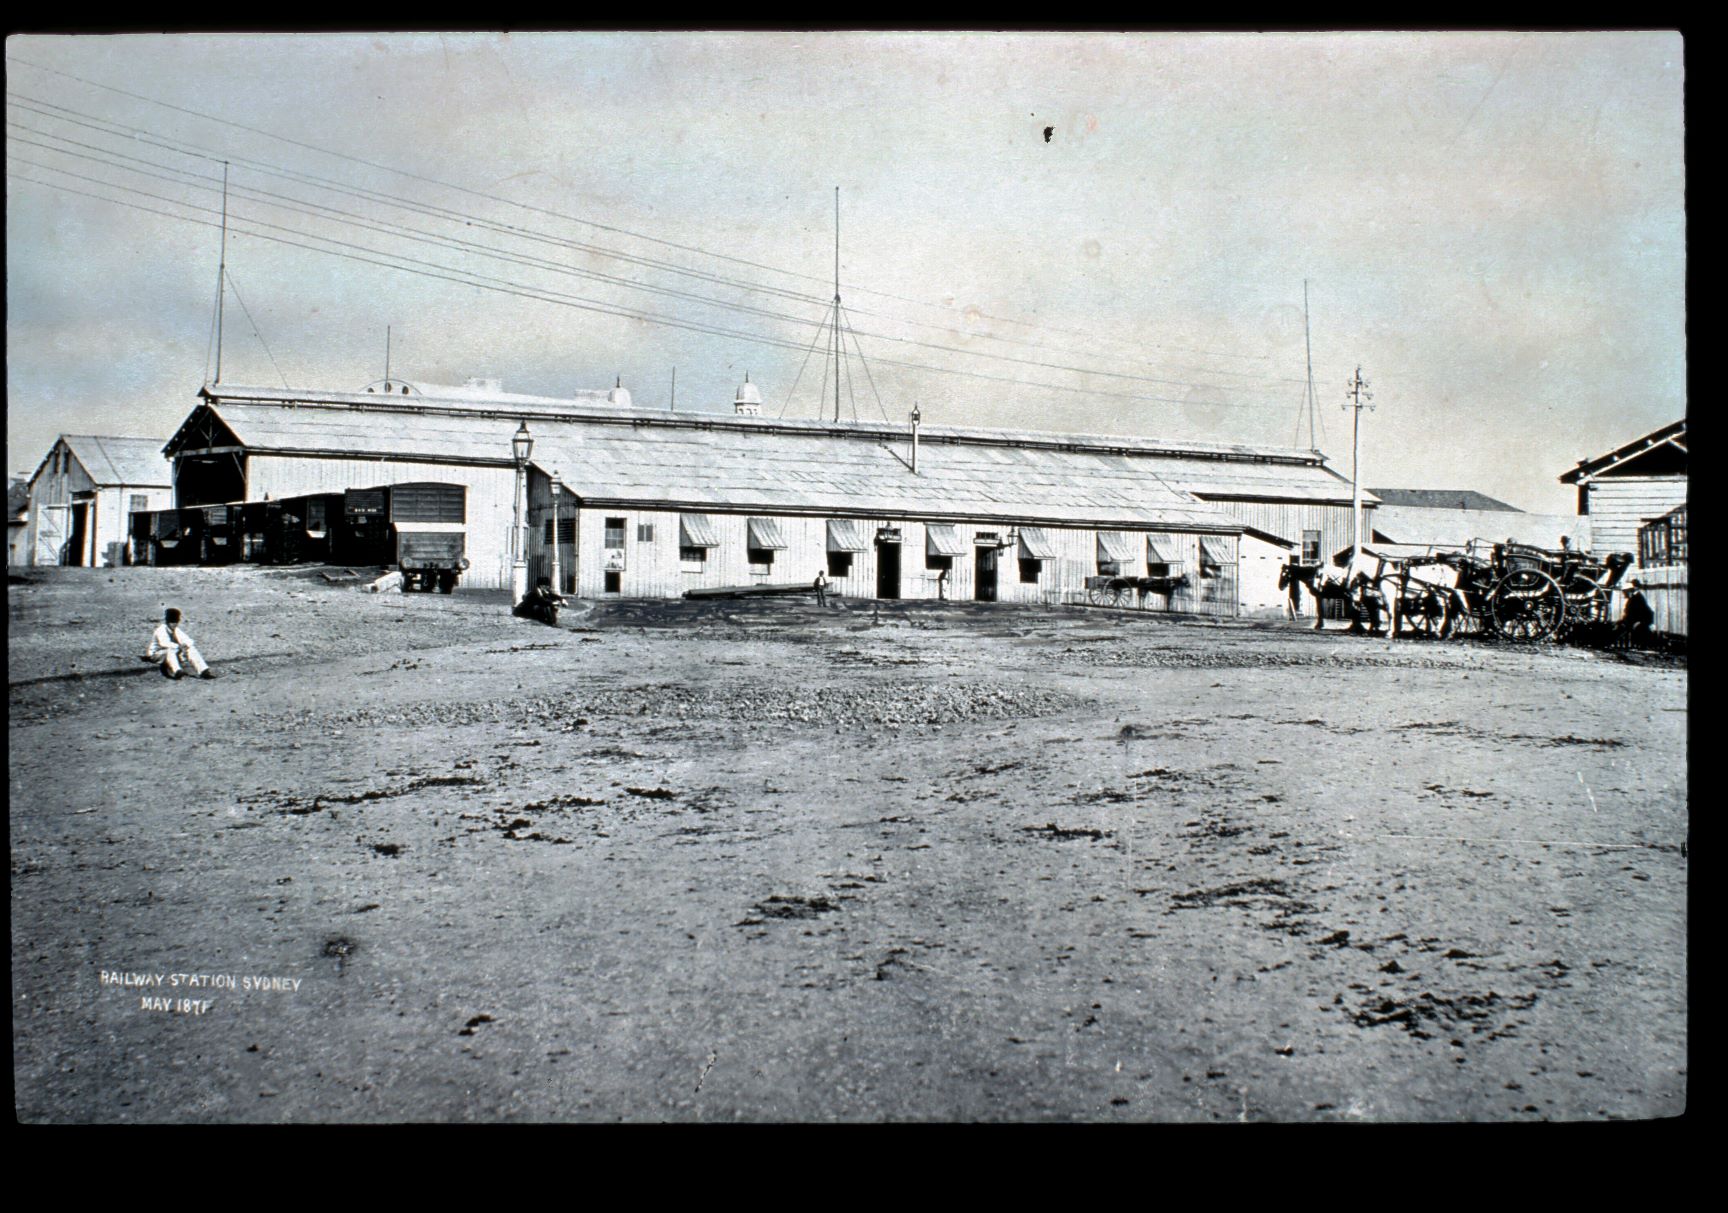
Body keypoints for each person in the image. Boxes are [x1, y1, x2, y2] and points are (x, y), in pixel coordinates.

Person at [146, 607, 216, 680]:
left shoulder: (176, 630)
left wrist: (185, 645)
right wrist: (179, 646)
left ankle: (203, 671)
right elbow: (164, 643)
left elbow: (189, 640)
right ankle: (177, 671)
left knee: (191, 648)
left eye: (176, 622)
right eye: (172, 622)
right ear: (167, 622)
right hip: (156, 655)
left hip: (171, 654)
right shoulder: (161, 630)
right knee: (171, 650)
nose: (174, 624)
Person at [1618, 579, 1654, 649]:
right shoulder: (1634, 597)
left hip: (1639, 620)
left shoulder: (1637, 597)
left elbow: (1640, 611)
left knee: (1622, 627)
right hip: (1636, 620)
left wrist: (1638, 622)